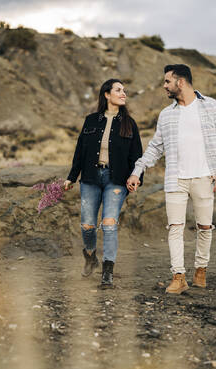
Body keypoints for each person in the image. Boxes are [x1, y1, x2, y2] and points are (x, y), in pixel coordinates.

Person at [127, 64, 216, 294]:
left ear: (181, 82)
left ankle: (200, 270)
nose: (164, 86)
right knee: (175, 227)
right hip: (176, 179)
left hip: (205, 177)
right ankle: (178, 275)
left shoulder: (210, 106)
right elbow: (155, 148)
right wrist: (138, 170)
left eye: (167, 81)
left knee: (205, 226)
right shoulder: (167, 115)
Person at [64, 79, 143, 288]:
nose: (123, 93)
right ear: (107, 94)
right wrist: (71, 177)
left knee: (109, 224)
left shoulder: (129, 123)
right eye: (118, 90)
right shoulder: (91, 120)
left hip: (116, 180)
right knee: (87, 225)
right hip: (90, 178)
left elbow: (137, 155)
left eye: (124, 90)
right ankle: (90, 256)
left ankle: (107, 272)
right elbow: (80, 151)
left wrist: (137, 178)